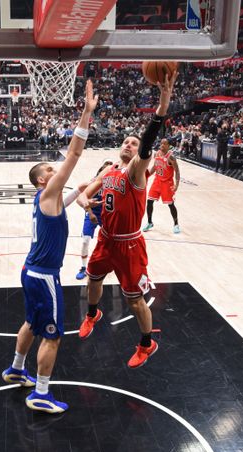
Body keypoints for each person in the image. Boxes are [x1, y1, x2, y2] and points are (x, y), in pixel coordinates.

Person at [1, 80, 98, 414]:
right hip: (44, 276)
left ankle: (16, 368)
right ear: (43, 180)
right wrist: (86, 113)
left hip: (31, 272)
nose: (56, 171)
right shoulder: (46, 192)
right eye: (50, 170)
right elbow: (74, 152)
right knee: (53, 336)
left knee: (31, 322)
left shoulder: (47, 200)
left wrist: (89, 185)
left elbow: (68, 199)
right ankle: (40, 393)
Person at [76, 71, 178, 369]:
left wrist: (162, 107)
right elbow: (85, 192)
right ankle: (92, 313)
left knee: (134, 301)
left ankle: (147, 344)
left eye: (134, 143)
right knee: (93, 278)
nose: (131, 144)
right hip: (106, 239)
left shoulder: (136, 171)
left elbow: (148, 140)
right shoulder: (109, 170)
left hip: (130, 246)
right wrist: (86, 204)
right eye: (127, 141)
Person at [76, 160, 113, 280]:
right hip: (92, 212)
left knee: (111, 242)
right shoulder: (93, 182)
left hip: (106, 214)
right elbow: (83, 199)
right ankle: (83, 267)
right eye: (105, 169)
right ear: (101, 170)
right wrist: (90, 213)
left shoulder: (114, 183)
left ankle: (109, 263)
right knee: (85, 241)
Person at [143, 138, 181, 234]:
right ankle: (149, 222)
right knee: (149, 201)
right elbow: (155, 167)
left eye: (164, 144)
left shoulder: (171, 157)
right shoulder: (157, 154)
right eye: (161, 143)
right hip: (157, 181)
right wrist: (147, 175)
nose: (162, 145)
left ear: (168, 146)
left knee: (170, 204)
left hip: (167, 183)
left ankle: (176, 224)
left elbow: (177, 171)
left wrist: (177, 184)